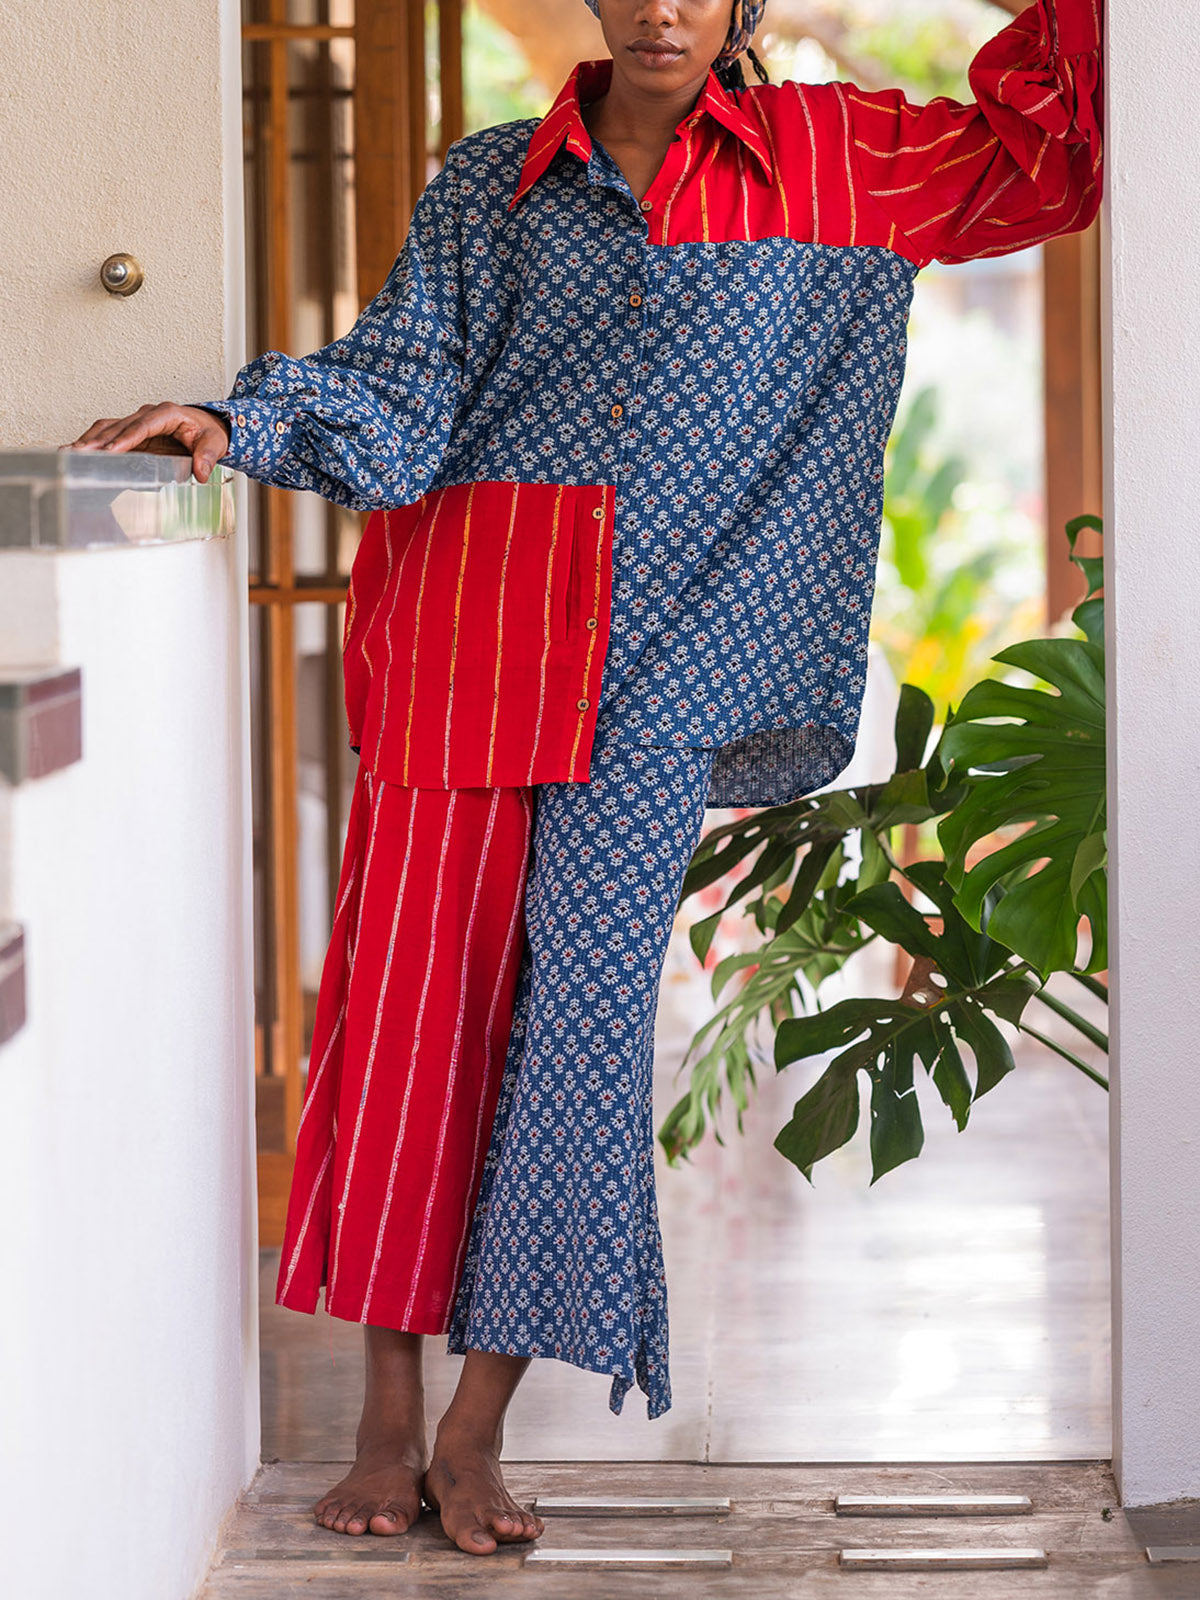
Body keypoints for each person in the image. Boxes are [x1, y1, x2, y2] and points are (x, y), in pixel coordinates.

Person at [69, 0, 1103, 1558]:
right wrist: (237, 419)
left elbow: (1054, 157)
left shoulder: (847, 159)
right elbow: (405, 396)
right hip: (468, 635)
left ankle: (475, 1430)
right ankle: (383, 1418)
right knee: (411, 1022)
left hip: (666, 667)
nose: (660, 7)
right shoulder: (493, 183)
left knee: (584, 1040)